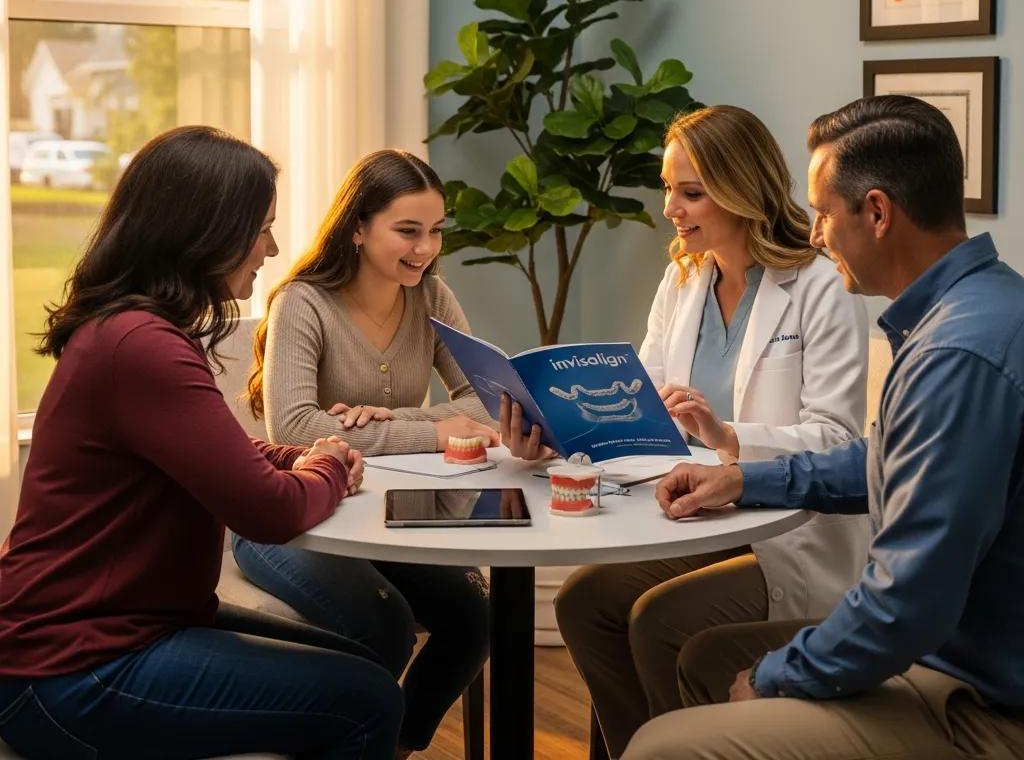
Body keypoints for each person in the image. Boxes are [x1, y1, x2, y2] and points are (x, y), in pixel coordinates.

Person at [624, 95, 1024, 760]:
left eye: (822, 213)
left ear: (876, 212)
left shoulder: (957, 355)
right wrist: (744, 478)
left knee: (661, 747)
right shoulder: (981, 306)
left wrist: (775, 676)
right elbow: (881, 460)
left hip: (977, 696)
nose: (813, 234)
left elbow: (906, 604)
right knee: (697, 654)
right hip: (957, 651)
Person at [0, 127, 403, 760]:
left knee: (363, 656)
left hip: (116, 631)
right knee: (368, 698)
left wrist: (297, 456)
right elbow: (267, 512)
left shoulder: (132, 331)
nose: (271, 248)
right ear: (203, 232)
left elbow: (215, 454)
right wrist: (325, 464)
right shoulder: (143, 346)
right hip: (70, 669)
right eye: (261, 228)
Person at [549, 105, 870, 757]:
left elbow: (837, 438)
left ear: (740, 189)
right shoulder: (684, 278)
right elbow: (638, 398)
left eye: (690, 192)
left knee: (658, 619)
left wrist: (726, 435)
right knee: (584, 599)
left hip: (789, 533)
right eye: (669, 188)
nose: (671, 207)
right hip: (699, 515)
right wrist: (556, 418)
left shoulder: (817, 284)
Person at [233, 148, 498, 756]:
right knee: (384, 625)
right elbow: (297, 428)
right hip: (294, 521)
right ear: (357, 226)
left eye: (435, 231)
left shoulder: (432, 298)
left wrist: (397, 419)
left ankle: (391, 748)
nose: (425, 248)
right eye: (407, 230)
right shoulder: (301, 301)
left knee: (474, 618)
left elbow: (487, 407)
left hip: (392, 516)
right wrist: (435, 429)